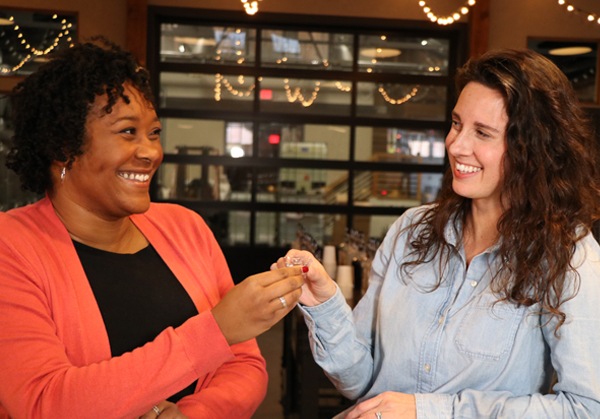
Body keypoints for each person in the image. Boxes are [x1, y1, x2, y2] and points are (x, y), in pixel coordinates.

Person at [273, 49, 600, 418]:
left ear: (534, 150)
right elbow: (361, 382)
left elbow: (585, 409)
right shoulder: (412, 230)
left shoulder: (569, 257)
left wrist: (428, 410)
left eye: (482, 132)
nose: (456, 145)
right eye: (457, 123)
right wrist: (324, 303)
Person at [0, 38, 305, 419]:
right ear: (64, 145)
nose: (151, 152)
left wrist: (195, 414)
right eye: (128, 132)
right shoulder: (10, 247)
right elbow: (43, 402)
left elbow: (245, 365)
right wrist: (215, 332)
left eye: (155, 132)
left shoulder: (185, 228)